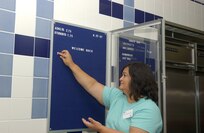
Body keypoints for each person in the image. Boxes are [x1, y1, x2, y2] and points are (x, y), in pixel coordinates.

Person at [57, 50, 163, 133]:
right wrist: (71, 64)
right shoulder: (117, 96)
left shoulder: (149, 109)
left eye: (124, 75)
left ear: (137, 79)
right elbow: (91, 85)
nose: (120, 79)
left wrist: (101, 129)